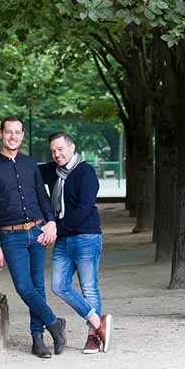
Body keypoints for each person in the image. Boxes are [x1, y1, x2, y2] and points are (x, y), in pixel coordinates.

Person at [0, 116, 66, 358]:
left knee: (37, 287)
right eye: (9, 132)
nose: (13, 136)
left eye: (17, 132)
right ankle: (54, 323)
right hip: (11, 237)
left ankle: (37, 339)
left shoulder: (30, 165)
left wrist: (50, 222)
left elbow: (42, 196)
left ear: (22, 134)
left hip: (38, 231)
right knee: (24, 287)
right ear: (1, 134)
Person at [42, 132, 113, 355]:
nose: (57, 154)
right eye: (53, 151)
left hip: (86, 237)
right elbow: (24, 169)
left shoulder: (86, 173)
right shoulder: (53, 170)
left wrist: (55, 228)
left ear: (72, 148)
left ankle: (93, 338)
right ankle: (97, 321)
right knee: (58, 285)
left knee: (88, 288)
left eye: (61, 149)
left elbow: (84, 210)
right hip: (63, 239)